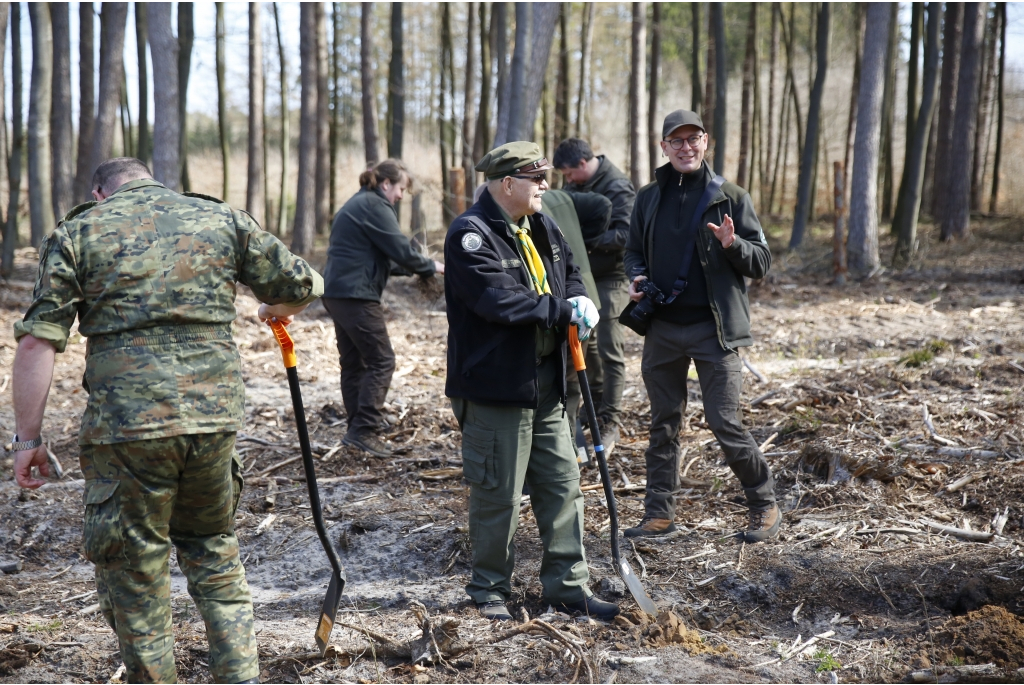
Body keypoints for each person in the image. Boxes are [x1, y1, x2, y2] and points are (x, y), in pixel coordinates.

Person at [8, 158, 323, 683]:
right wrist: (273, 307)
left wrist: (27, 439)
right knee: (214, 552)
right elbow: (301, 284)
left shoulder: (78, 231)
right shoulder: (220, 220)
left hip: (127, 429)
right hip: (213, 420)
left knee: (135, 570)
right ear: (153, 180)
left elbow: (39, 340)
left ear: (99, 192)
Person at [444, 142, 618, 621]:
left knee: (563, 486)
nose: (546, 186)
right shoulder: (471, 235)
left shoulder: (541, 225)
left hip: (548, 384)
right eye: (536, 178)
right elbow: (499, 302)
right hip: (496, 388)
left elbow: (572, 273)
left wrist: (581, 301)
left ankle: (567, 587)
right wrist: (563, 310)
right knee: (498, 493)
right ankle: (489, 590)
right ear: (507, 185)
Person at [622, 110, 779, 542]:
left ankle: (764, 503)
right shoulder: (648, 197)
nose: (686, 147)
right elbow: (632, 252)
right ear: (664, 147)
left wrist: (732, 244)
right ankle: (659, 514)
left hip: (716, 331)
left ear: (706, 142)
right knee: (663, 424)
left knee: (724, 421)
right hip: (663, 330)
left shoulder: (731, 197)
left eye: (694, 139)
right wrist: (634, 278)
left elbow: (761, 263)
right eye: (677, 140)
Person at [321, 159, 443, 458]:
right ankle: (364, 429)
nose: (401, 196)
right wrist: (431, 266)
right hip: (355, 296)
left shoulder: (359, 203)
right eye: (400, 188)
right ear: (386, 184)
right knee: (382, 360)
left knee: (354, 364)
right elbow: (400, 249)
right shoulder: (375, 206)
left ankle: (357, 428)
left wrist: (413, 270)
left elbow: (380, 257)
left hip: (336, 292)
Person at [554, 139, 636, 455]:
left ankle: (610, 420)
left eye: (570, 173)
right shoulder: (576, 183)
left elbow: (626, 234)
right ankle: (593, 408)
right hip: (582, 275)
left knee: (609, 348)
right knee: (585, 346)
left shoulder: (616, 185)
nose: (568, 180)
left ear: (584, 163)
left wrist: (584, 240)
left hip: (611, 276)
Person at [539, 188, 613, 464]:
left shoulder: (532, 209)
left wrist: (586, 241)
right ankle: (570, 447)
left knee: (567, 380)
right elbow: (602, 204)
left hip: (570, 305)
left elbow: (603, 204)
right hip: (576, 301)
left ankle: (567, 450)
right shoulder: (560, 197)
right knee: (571, 380)